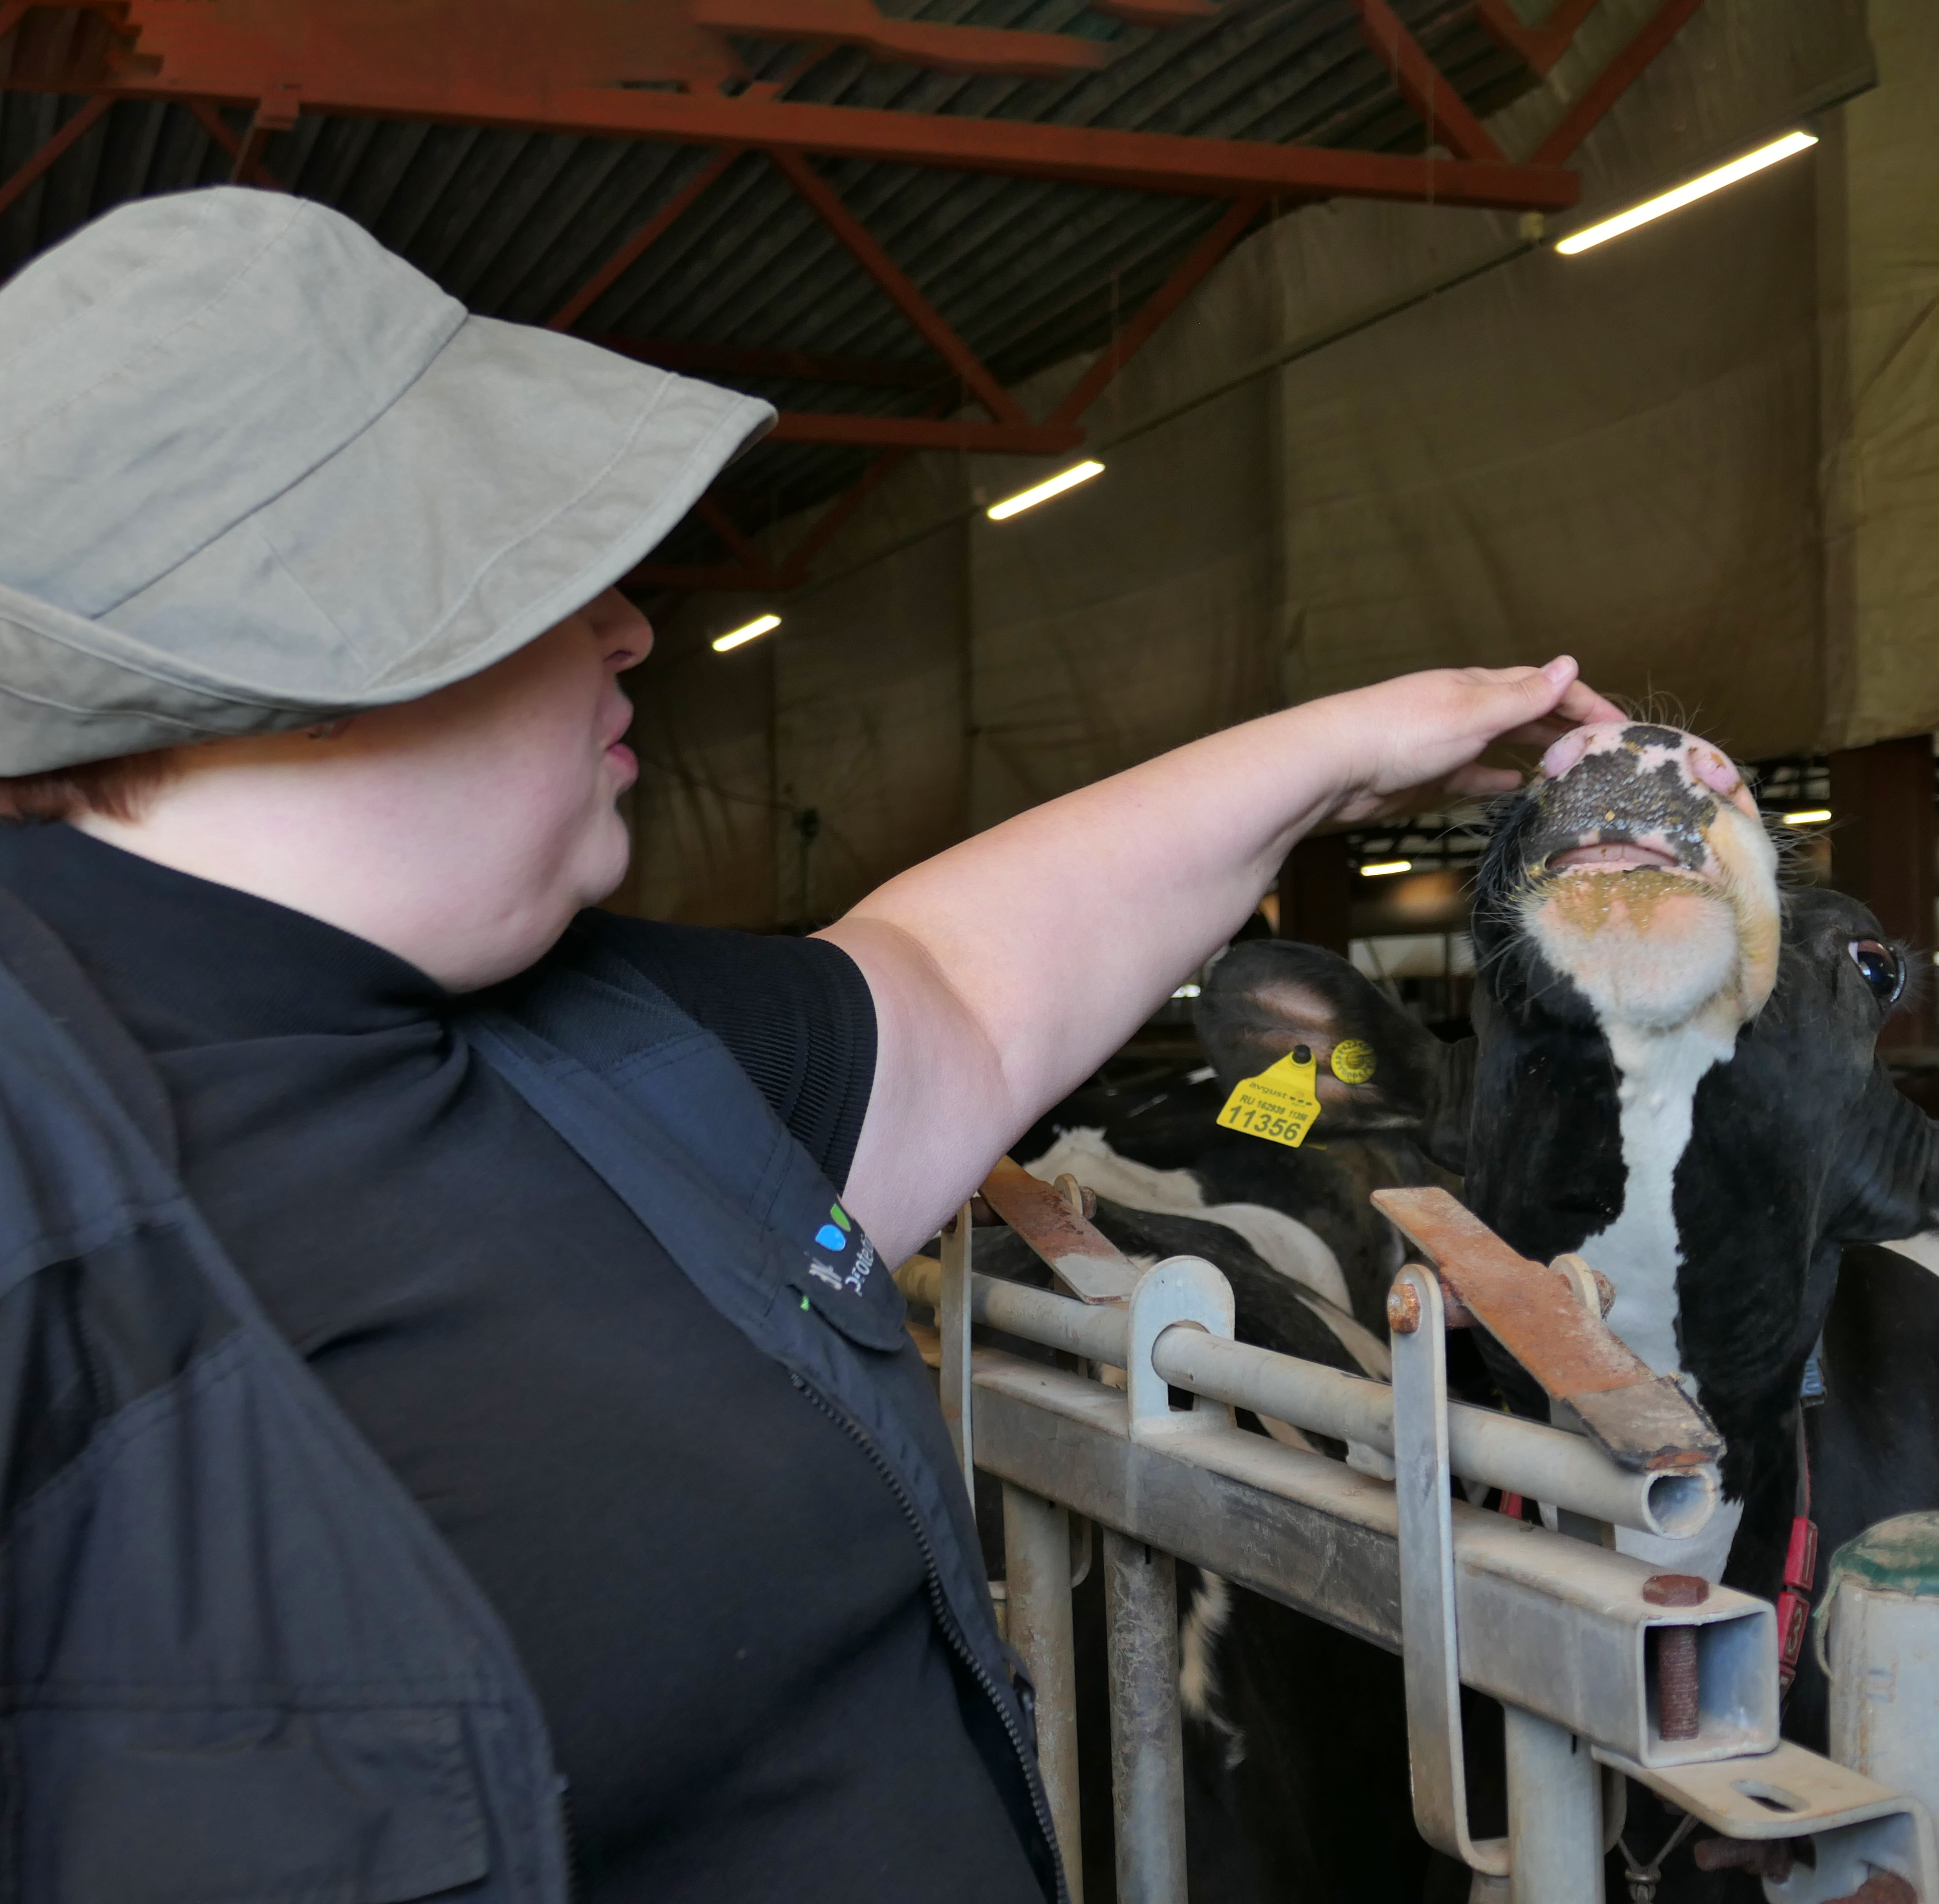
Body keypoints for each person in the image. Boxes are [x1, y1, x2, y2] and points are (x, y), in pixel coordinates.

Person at [0, 189, 1624, 1903]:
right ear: (297, 662)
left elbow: (954, 978)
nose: (629, 626)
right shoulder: (51, 1228)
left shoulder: (579, 1036)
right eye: (536, 578)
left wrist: (1356, 746)